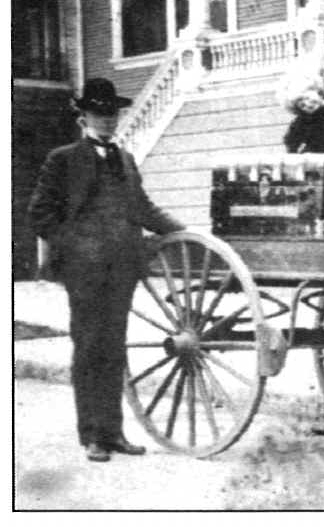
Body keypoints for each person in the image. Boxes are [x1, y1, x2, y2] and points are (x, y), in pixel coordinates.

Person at [27, 78, 185, 462]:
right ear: (84, 116)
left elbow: (144, 209)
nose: (107, 120)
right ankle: (93, 436)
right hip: (84, 270)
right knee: (89, 347)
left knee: (114, 349)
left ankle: (113, 433)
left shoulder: (126, 159)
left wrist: (182, 230)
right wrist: (76, 246)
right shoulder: (63, 159)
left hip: (123, 267)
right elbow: (40, 215)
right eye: (99, 113)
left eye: (111, 113)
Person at [281, 73, 324, 153]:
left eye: (307, 98)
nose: (307, 104)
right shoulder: (303, 120)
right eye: (302, 106)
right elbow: (290, 141)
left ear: (316, 90)